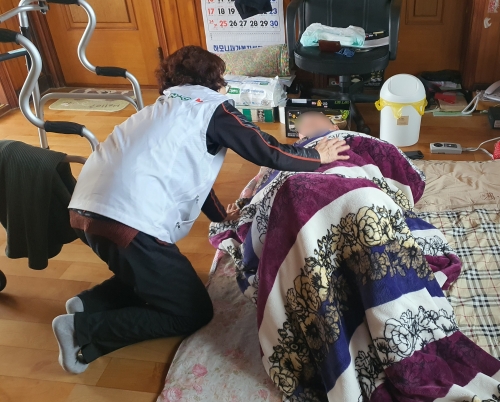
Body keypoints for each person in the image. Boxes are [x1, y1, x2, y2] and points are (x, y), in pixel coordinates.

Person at [52, 45, 350, 374]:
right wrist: (316, 156)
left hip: (84, 209)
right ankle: (81, 330)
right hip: (128, 220)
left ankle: (89, 303)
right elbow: (266, 149)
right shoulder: (211, 107)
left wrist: (221, 217)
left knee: (157, 274)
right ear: (215, 80)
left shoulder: (160, 108)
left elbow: (191, 175)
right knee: (191, 311)